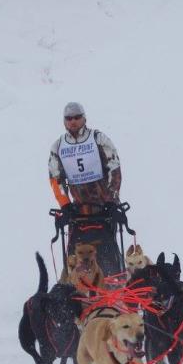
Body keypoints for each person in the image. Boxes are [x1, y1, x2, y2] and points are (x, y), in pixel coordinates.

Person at [48, 102, 124, 272]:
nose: (73, 121)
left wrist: (111, 200)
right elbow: (55, 178)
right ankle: (76, 282)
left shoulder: (98, 139)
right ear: (64, 121)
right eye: (69, 118)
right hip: (78, 209)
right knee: (77, 254)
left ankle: (113, 279)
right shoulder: (58, 146)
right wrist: (65, 205)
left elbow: (114, 168)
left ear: (84, 118)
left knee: (106, 250)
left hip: (103, 206)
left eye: (77, 117)